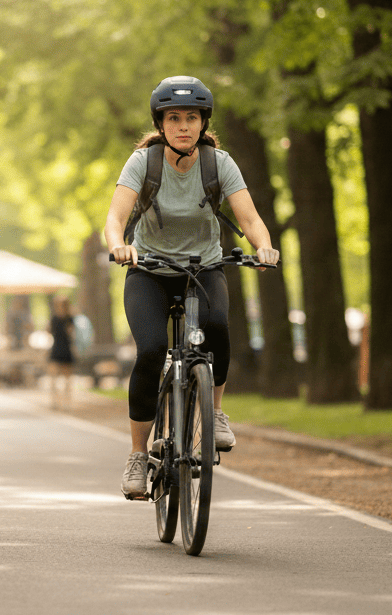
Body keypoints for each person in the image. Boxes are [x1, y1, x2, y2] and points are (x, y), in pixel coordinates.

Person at [102, 76, 280, 500]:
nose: (184, 125)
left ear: (203, 123)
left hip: (204, 267)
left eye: (192, 118)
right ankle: (137, 456)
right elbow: (114, 218)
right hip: (149, 271)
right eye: (174, 118)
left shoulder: (218, 164)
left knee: (218, 324)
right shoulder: (143, 163)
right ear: (161, 124)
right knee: (149, 351)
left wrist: (265, 246)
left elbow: (250, 218)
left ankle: (215, 413)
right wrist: (119, 246)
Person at [48, 295, 76, 410]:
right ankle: (55, 401)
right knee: (54, 376)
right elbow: (49, 331)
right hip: (56, 348)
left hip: (66, 348)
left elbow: (71, 333)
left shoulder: (69, 318)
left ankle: (66, 402)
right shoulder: (54, 318)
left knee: (67, 378)